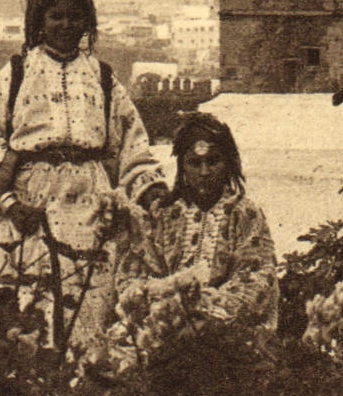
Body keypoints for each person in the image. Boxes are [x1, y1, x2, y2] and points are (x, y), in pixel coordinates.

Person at [0, 0, 166, 354]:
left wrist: (152, 190)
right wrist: (10, 204)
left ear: (86, 23)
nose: (65, 25)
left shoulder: (103, 78)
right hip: (30, 204)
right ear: (39, 21)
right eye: (55, 16)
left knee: (90, 306)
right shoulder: (17, 73)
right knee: (26, 310)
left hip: (90, 204)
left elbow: (133, 145)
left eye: (74, 17)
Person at [117, 113, 278, 343]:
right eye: (194, 163)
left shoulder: (245, 214)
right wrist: (164, 305)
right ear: (182, 166)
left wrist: (207, 309)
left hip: (224, 331)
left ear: (228, 163)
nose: (204, 172)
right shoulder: (162, 214)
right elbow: (134, 272)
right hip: (163, 328)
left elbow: (257, 277)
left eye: (213, 161)